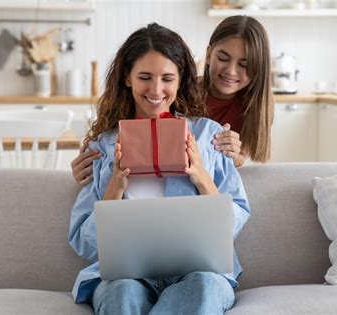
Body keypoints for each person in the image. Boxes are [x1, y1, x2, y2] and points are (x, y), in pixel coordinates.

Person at [68, 23, 250, 315]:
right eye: (144, 77)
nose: (156, 90)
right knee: (122, 293)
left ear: (180, 81)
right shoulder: (103, 146)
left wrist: (201, 177)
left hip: (198, 272)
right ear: (127, 78)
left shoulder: (208, 136)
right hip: (127, 275)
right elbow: (83, 241)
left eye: (167, 78)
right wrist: (115, 186)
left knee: (204, 289)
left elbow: (236, 220)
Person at [71, 15, 273, 185]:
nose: (231, 71)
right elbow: (134, 127)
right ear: (210, 53)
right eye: (223, 58)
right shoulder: (182, 92)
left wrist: (230, 156)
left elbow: (239, 159)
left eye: (244, 64)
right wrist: (94, 163)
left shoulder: (257, 107)